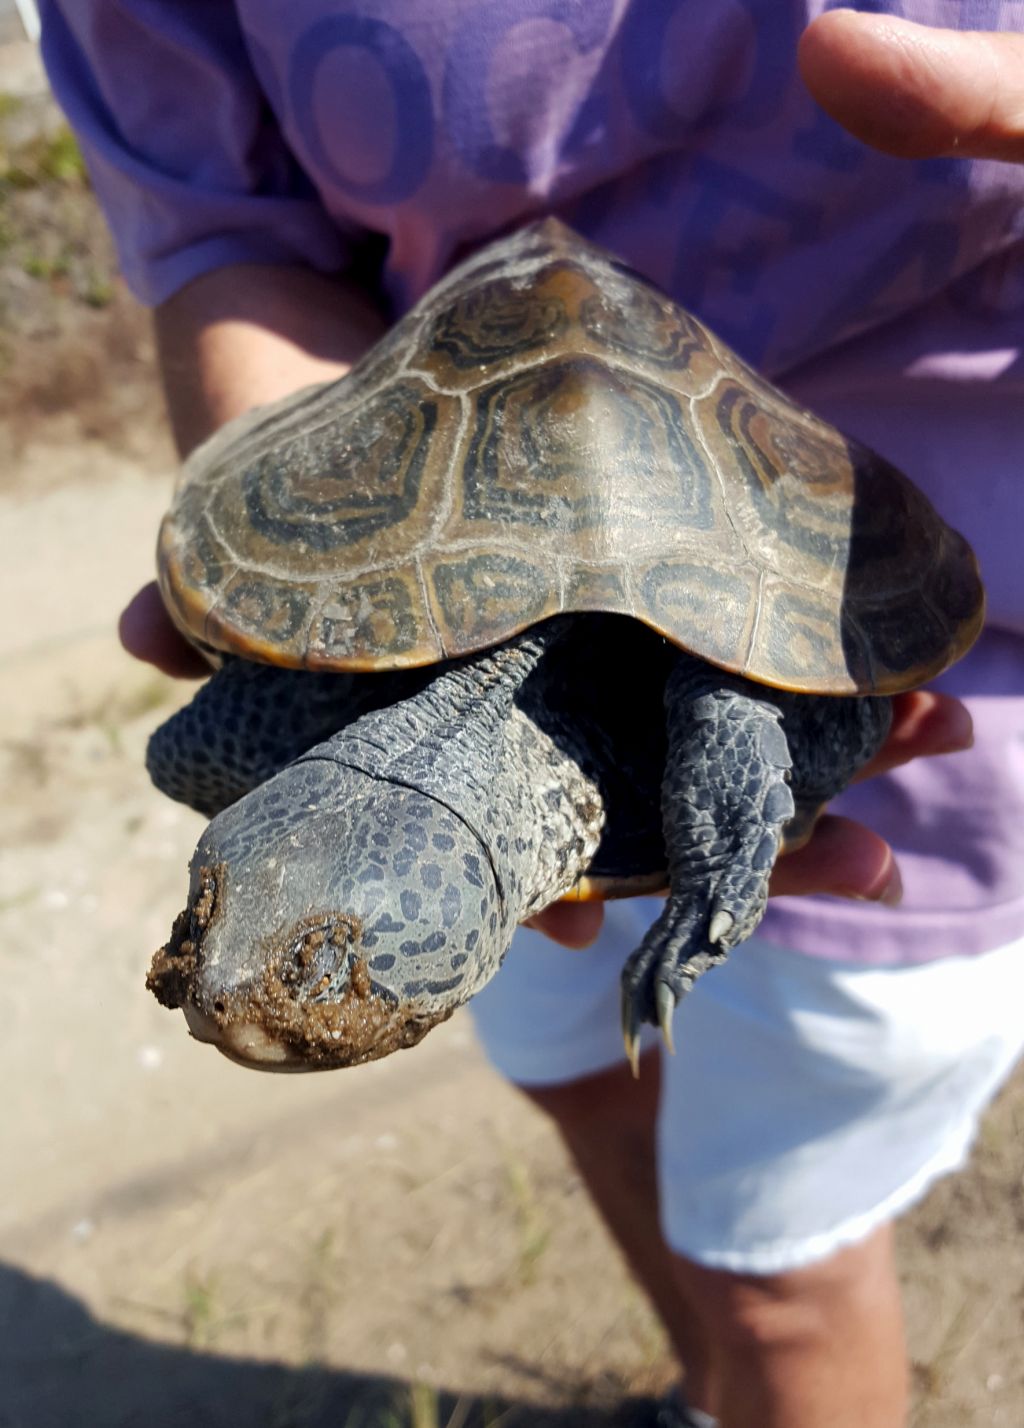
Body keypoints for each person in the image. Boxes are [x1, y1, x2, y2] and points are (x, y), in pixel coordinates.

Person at [39, 7, 1024, 1425]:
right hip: (425, 512)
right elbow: (220, 228)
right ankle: (699, 1391)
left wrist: (746, 748)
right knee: (578, 1076)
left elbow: (754, 684)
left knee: (777, 1267)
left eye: (316, 965)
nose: (231, 997)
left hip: (943, 787)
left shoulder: (705, 748)